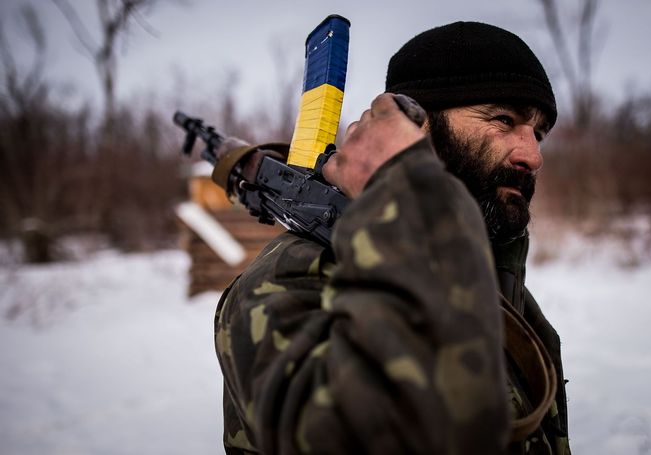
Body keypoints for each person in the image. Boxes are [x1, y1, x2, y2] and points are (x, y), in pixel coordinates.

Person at [214, 21, 570, 454]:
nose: (532, 155)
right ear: (414, 129)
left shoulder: (490, 271)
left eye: (539, 132)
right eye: (503, 119)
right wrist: (406, 193)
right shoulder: (291, 280)